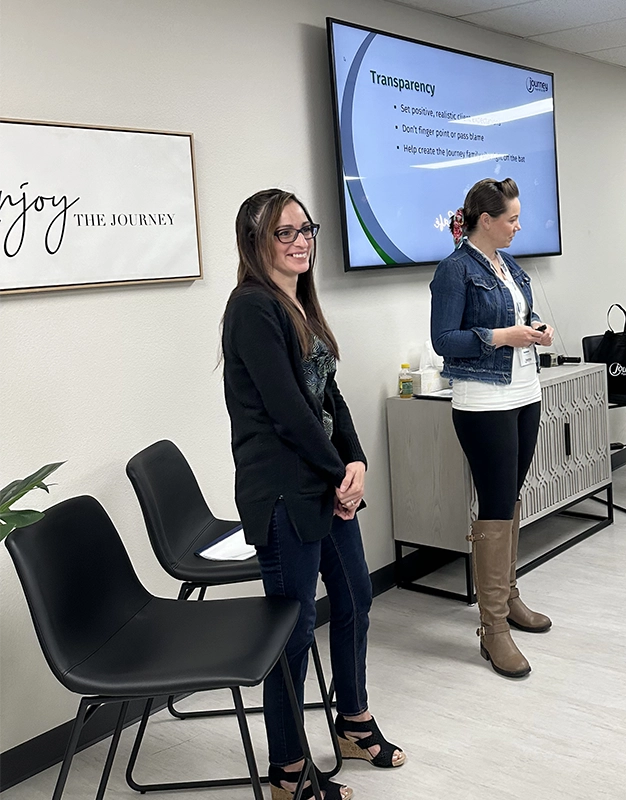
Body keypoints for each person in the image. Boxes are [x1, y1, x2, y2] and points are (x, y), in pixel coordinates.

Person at [222, 189, 405, 800]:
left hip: (325, 484)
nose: (301, 241)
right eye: (285, 233)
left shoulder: (299, 303)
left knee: (355, 597)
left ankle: (352, 722)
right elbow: (287, 413)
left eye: (306, 229)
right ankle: (288, 771)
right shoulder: (251, 307)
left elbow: (328, 398)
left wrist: (354, 463)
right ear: (256, 241)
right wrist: (338, 474)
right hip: (283, 494)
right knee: (294, 631)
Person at [429, 177, 555, 679]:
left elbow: (520, 313)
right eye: (512, 219)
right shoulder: (454, 269)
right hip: (484, 400)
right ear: (487, 220)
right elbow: (444, 340)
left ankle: (509, 597)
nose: (518, 226)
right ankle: (493, 628)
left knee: (510, 497)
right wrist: (503, 336)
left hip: (525, 392)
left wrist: (535, 330)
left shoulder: (508, 265)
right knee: (496, 502)